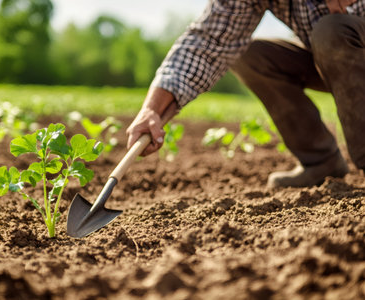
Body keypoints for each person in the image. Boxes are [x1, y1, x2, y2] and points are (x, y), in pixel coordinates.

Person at [126, 0, 365, 188]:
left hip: (349, 44)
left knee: (332, 31)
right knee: (250, 56)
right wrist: (152, 109)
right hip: (331, 57)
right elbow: (207, 42)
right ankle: (321, 161)